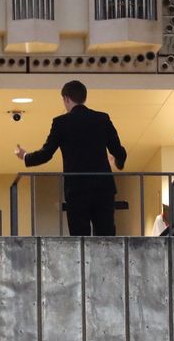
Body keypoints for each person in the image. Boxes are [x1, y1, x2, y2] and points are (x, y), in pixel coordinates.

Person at [14, 80, 127, 236]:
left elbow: (46, 154)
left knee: (79, 238)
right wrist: (118, 162)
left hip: (76, 187)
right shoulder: (102, 119)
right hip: (103, 187)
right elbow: (117, 149)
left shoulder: (61, 123)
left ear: (66, 98)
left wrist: (25, 156)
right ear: (84, 98)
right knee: (106, 236)